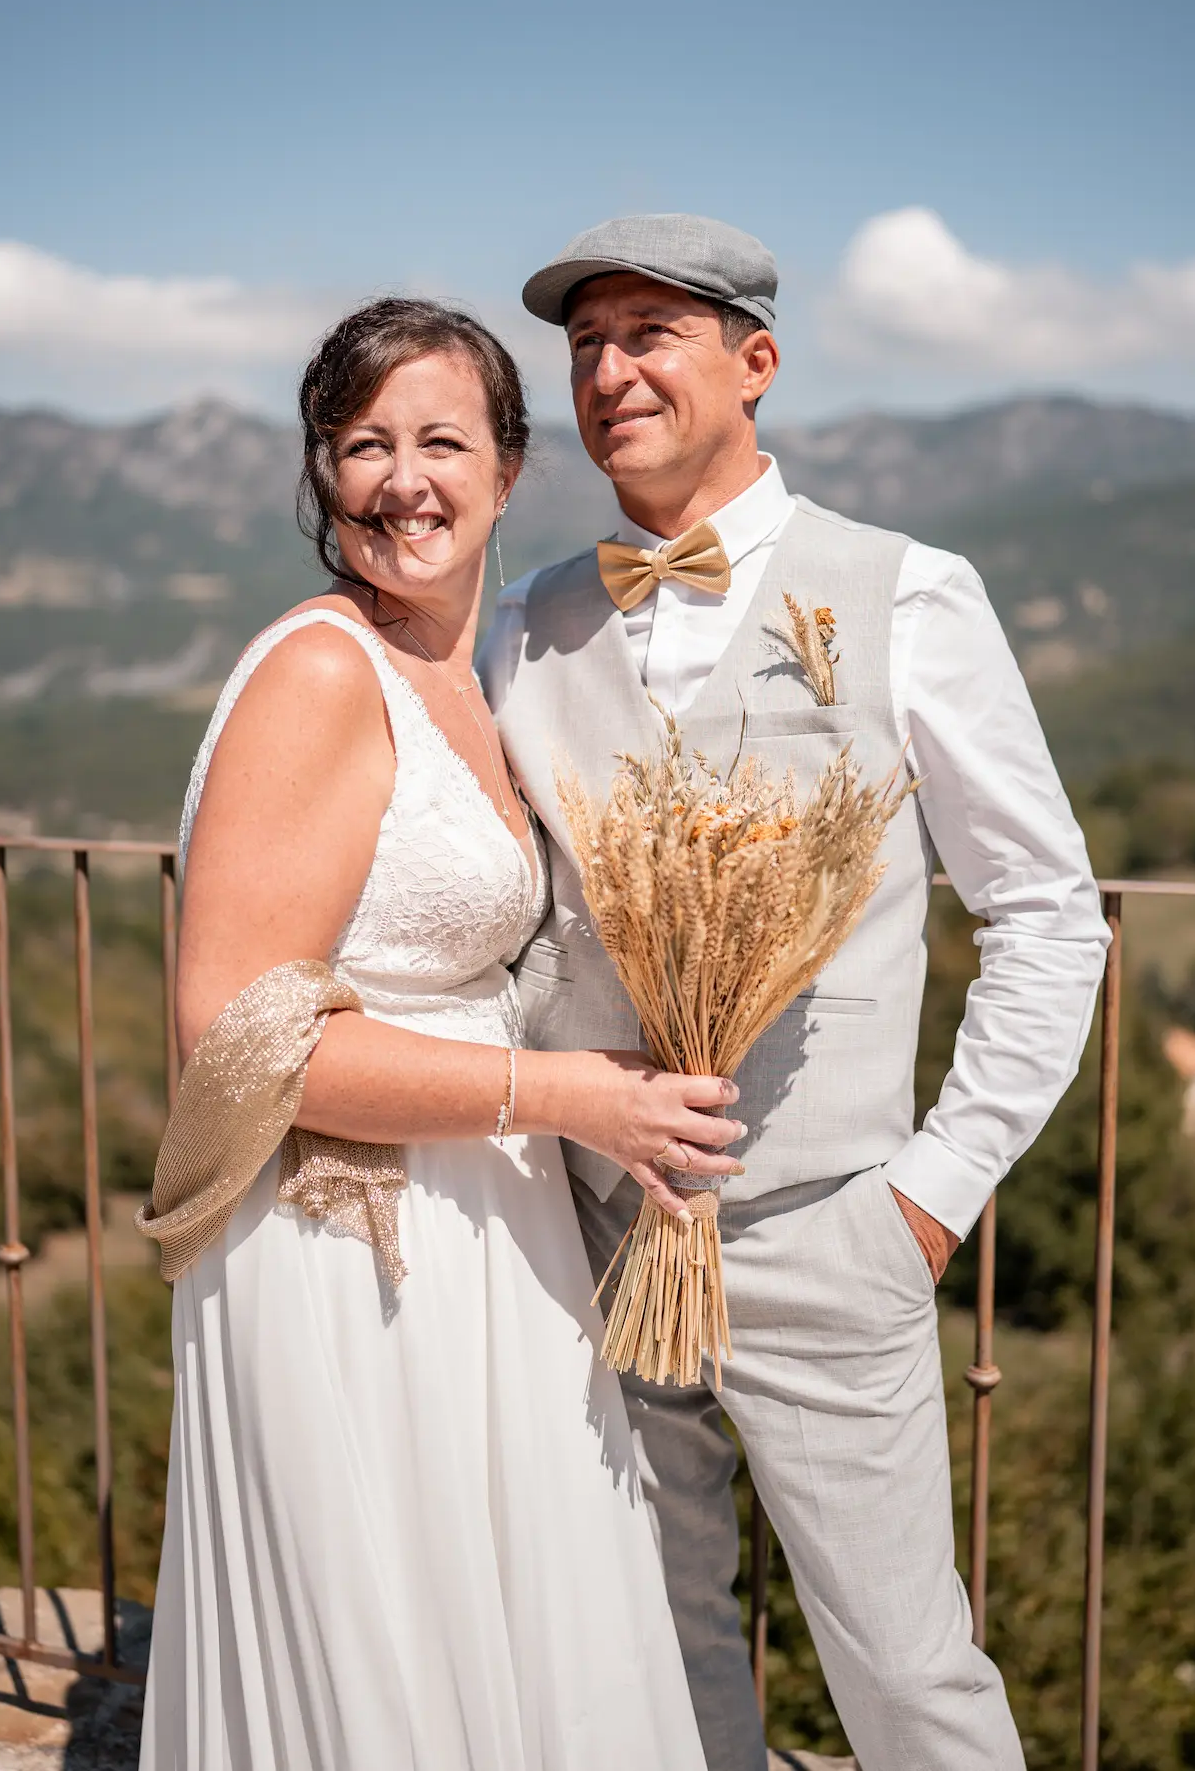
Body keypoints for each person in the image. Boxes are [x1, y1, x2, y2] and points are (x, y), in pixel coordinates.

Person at [482, 215, 1112, 1771]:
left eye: (649, 335)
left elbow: (1048, 910)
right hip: (596, 1231)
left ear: (755, 364)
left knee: (905, 1672)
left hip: (827, 1226)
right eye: (586, 345)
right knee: (659, 1641)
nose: (609, 372)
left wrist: (932, 1194)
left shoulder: (908, 595)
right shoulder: (529, 616)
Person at [138, 298, 734, 1771]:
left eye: (441, 440)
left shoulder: (466, 670)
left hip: (492, 1217)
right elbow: (233, 1031)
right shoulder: (324, 670)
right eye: (364, 444)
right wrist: (572, 1096)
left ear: (509, 469)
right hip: (354, 1241)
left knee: (508, 1637)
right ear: (321, 474)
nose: (403, 477)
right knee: (389, 1656)